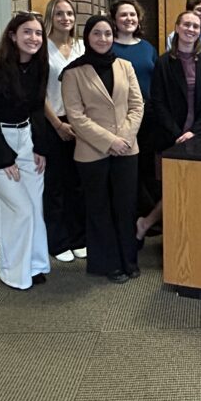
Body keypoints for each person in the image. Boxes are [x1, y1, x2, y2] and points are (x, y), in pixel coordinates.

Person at [61, 15, 144, 284]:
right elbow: (75, 116)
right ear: (87, 36)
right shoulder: (73, 72)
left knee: (125, 206)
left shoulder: (125, 66)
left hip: (127, 149)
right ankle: (108, 264)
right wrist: (110, 141)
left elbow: (137, 105)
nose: (103, 39)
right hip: (92, 153)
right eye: (97, 33)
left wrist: (124, 138)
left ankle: (128, 260)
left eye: (108, 33)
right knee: (100, 209)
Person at [0, 12, 50, 291]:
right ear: (12, 35)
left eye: (38, 33)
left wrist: (40, 146)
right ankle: (12, 270)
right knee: (18, 210)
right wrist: (3, 155)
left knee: (33, 206)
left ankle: (34, 264)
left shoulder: (39, 66)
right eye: (27, 32)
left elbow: (36, 109)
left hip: (27, 137)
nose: (34, 38)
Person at [139, 11, 201, 239]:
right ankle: (166, 234)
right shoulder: (164, 62)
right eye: (187, 25)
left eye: (195, 26)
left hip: (200, 134)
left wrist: (195, 131)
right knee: (174, 186)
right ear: (177, 27)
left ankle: (173, 231)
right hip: (170, 135)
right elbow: (158, 102)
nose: (191, 29)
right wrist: (178, 133)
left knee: (194, 185)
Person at [41, 0, 87, 265]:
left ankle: (78, 237)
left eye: (69, 13)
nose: (65, 19)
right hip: (54, 123)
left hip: (81, 121)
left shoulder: (80, 46)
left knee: (78, 184)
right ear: (51, 17)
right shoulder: (42, 48)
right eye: (59, 14)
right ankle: (57, 240)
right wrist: (58, 124)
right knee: (55, 185)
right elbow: (39, 92)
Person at [110, 0, 159, 217]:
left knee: (144, 165)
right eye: (123, 15)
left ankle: (143, 213)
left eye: (133, 15)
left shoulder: (147, 47)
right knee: (123, 166)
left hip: (147, 117)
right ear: (114, 19)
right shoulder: (108, 47)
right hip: (119, 118)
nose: (129, 19)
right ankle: (124, 212)